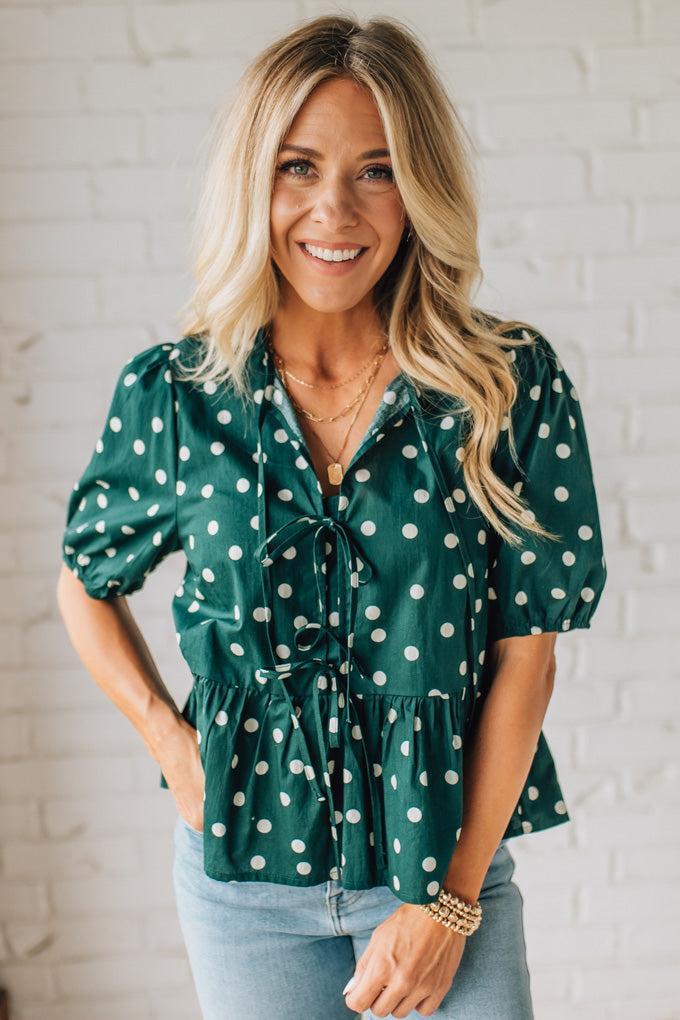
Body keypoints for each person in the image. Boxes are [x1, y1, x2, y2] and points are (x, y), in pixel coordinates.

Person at [56, 14, 608, 1020]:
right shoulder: (177, 394)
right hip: (242, 891)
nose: (333, 210)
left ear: (420, 186)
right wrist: (171, 746)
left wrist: (443, 905)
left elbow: (526, 658)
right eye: (297, 167)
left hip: (444, 871)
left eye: (376, 170)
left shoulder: (504, 384)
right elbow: (85, 583)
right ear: (252, 180)